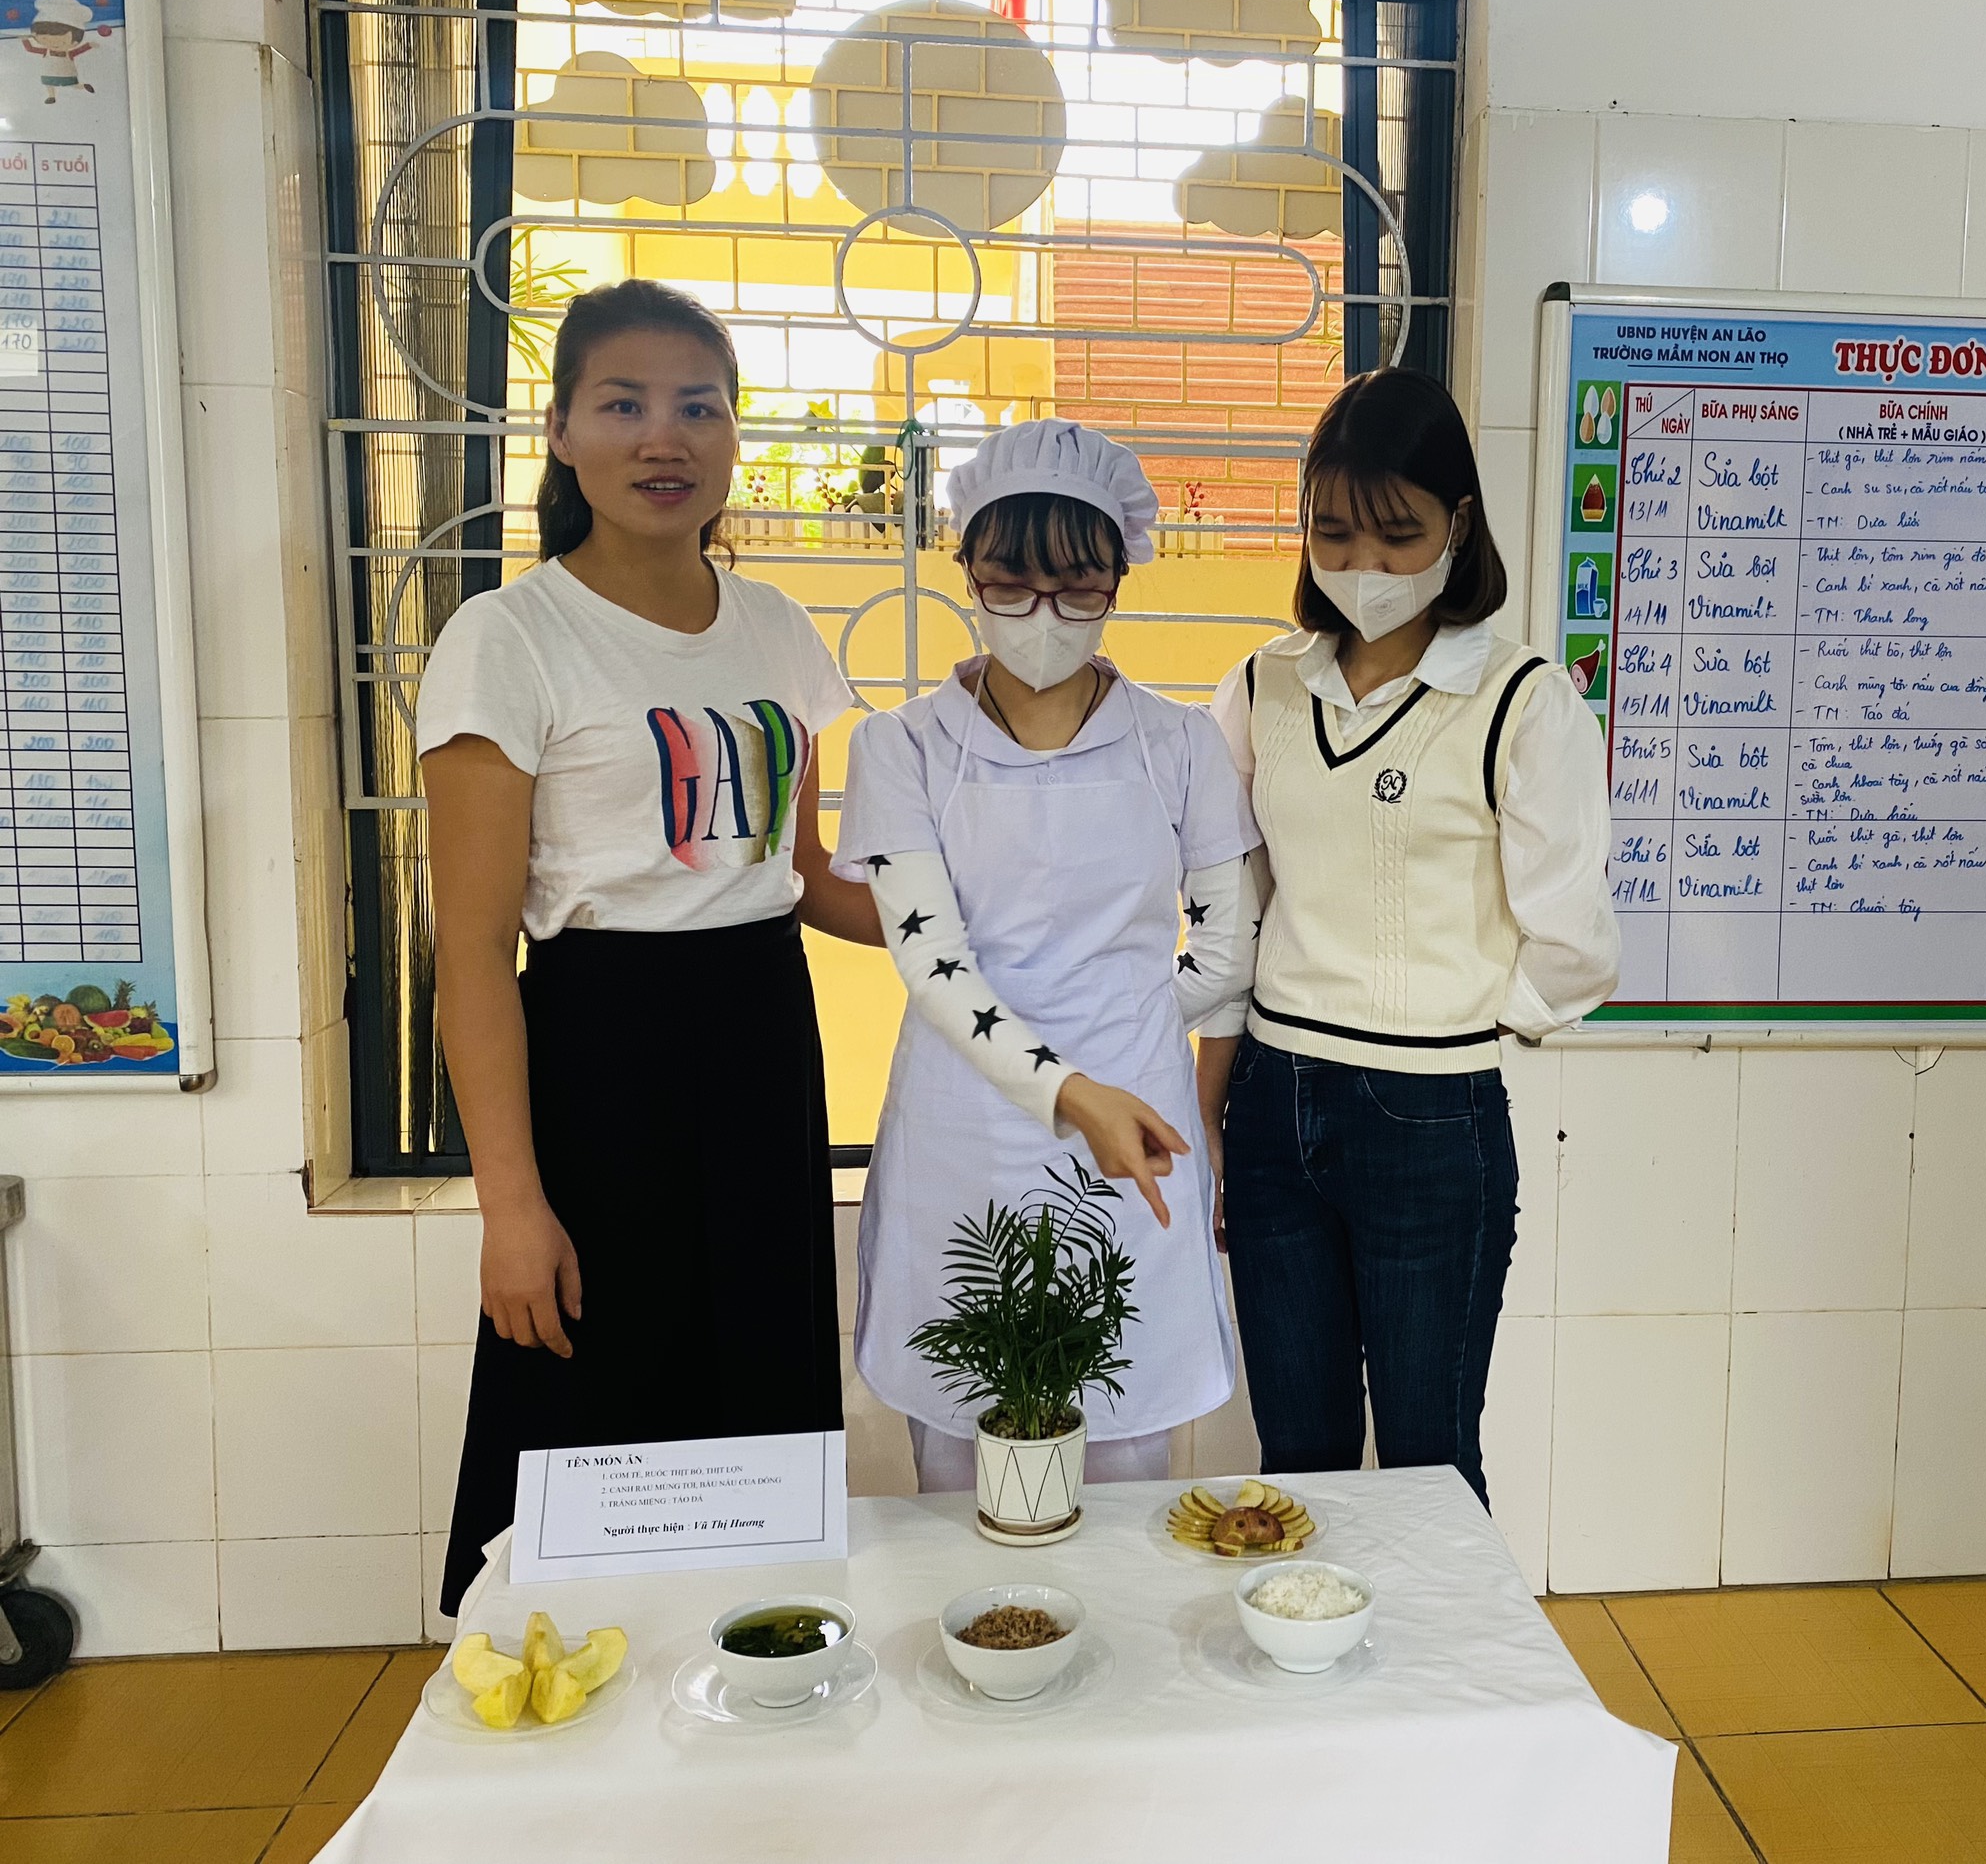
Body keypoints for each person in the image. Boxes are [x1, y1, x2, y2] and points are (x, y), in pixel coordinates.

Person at [418, 280, 880, 1615]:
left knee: (761, 1381)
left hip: (762, 1039)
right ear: (561, 431)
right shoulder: (510, 638)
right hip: (601, 1055)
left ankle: (763, 1667)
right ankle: (572, 1687)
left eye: (699, 407)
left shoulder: (776, 626)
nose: (663, 438)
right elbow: (473, 960)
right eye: (623, 405)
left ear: (735, 435)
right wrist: (512, 1206)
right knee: (596, 1393)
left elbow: (798, 877)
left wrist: (988, 931)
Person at [1198, 369, 1619, 1504]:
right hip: (1273, 1101)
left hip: (1432, 1116)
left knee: (1431, 1466)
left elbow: (1576, 943)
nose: (1364, 566)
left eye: (1398, 534)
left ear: (1458, 525)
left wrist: (1456, 1031)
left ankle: (1441, 1639)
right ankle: (1307, 1628)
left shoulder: (1522, 700)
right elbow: (1230, 906)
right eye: (1333, 532)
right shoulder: (1262, 685)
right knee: (1298, 1462)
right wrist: (1210, 1108)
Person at [839, 419, 1259, 1497]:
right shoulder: (902, 747)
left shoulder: (1180, 744)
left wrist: (1127, 1024)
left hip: (1137, 1129)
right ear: (965, 570)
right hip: (961, 1135)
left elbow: (1230, 946)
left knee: (1127, 1458)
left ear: (1120, 575)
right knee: (960, 1462)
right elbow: (934, 968)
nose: (1043, 615)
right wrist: (1084, 1072)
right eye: (1011, 584)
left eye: (1077, 588)